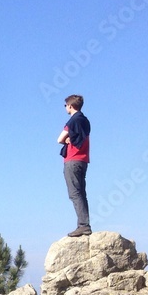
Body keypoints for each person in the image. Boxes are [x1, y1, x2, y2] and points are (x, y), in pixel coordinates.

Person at [58, 94, 91, 237]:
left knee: (75, 193)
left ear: (70, 106)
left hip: (72, 160)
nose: (65, 107)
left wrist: (65, 141)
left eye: (66, 105)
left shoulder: (72, 121)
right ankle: (84, 224)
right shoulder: (85, 121)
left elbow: (59, 139)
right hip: (83, 160)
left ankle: (83, 225)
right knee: (81, 193)